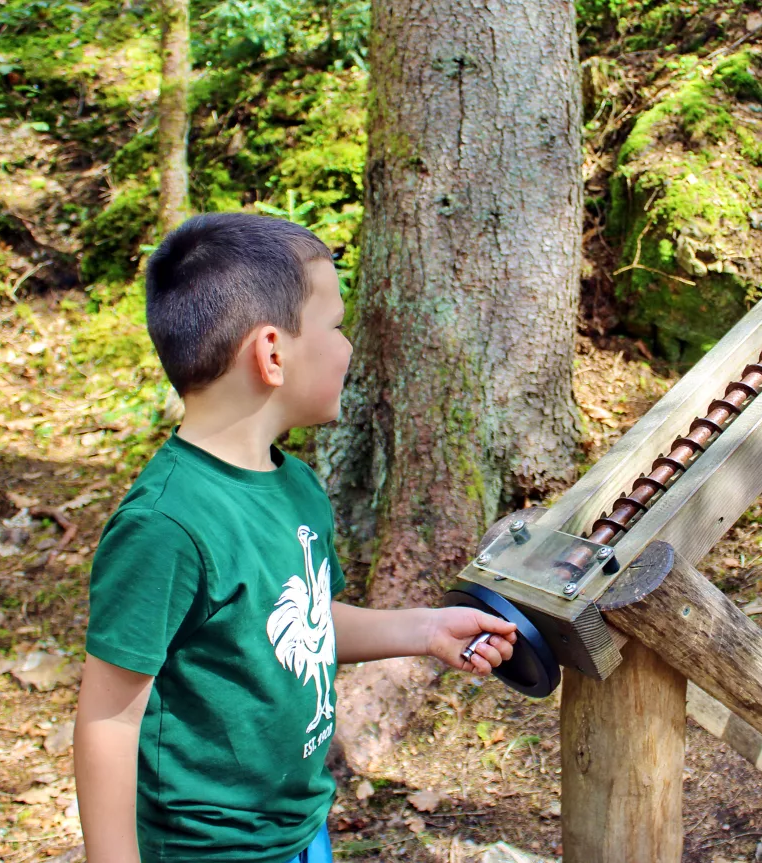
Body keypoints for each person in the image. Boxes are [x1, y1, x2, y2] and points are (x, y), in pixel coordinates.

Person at [73, 213, 518, 863]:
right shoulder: (165, 526)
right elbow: (108, 719)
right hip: (210, 850)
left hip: (301, 827)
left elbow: (307, 621)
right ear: (272, 353)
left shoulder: (296, 486)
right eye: (336, 326)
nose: (347, 347)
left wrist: (424, 631)